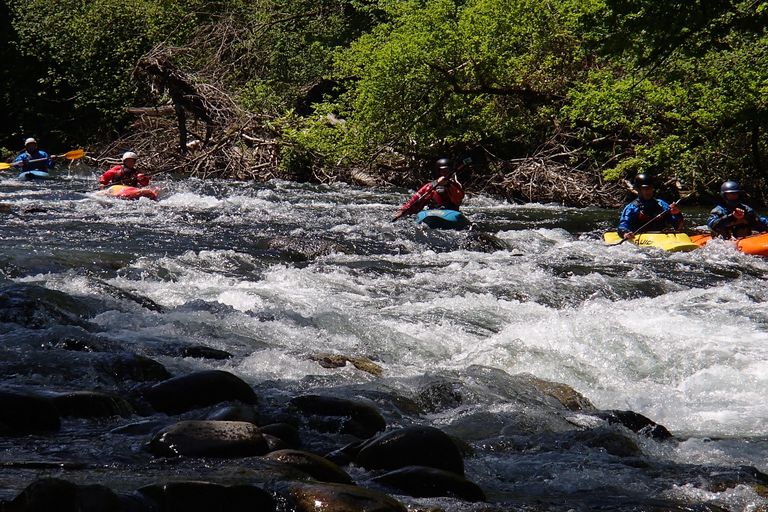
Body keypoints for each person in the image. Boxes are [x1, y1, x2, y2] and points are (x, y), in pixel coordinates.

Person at [392, 157, 465, 221]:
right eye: (443, 171)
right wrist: (403, 210)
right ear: (438, 172)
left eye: (447, 171)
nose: (445, 173)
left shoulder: (455, 185)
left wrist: (448, 185)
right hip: (433, 212)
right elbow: (415, 199)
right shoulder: (429, 186)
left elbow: (459, 197)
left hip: (452, 213)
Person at [617, 173, 684, 239]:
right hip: (639, 238)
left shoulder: (661, 204)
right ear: (638, 189)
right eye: (645, 189)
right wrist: (625, 233)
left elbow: (678, 227)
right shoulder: (631, 208)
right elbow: (623, 225)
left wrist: (677, 214)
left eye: (650, 188)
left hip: (662, 238)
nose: (649, 191)